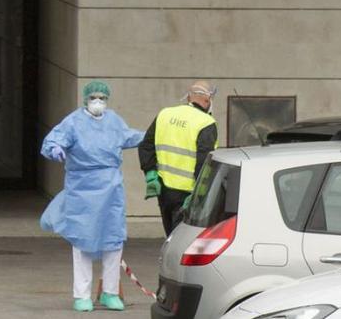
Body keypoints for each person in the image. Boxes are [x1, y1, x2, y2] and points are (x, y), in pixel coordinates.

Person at [40, 81, 144, 312]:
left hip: (111, 189)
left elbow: (128, 136)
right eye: (94, 97)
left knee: (113, 242)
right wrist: (56, 149)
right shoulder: (73, 122)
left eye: (102, 97)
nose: (98, 101)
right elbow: (53, 140)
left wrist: (152, 135)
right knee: (82, 242)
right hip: (82, 189)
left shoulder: (114, 120)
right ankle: (82, 295)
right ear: (85, 98)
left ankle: (110, 292)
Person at [138, 81, 219, 235]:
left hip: (164, 190)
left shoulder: (165, 114)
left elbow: (146, 146)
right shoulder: (206, 123)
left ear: (189, 97)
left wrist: (150, 175)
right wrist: (200, 194)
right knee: (183, 243)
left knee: (171, 238)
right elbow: (203, 162)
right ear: (208, 100)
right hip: (188, 195)